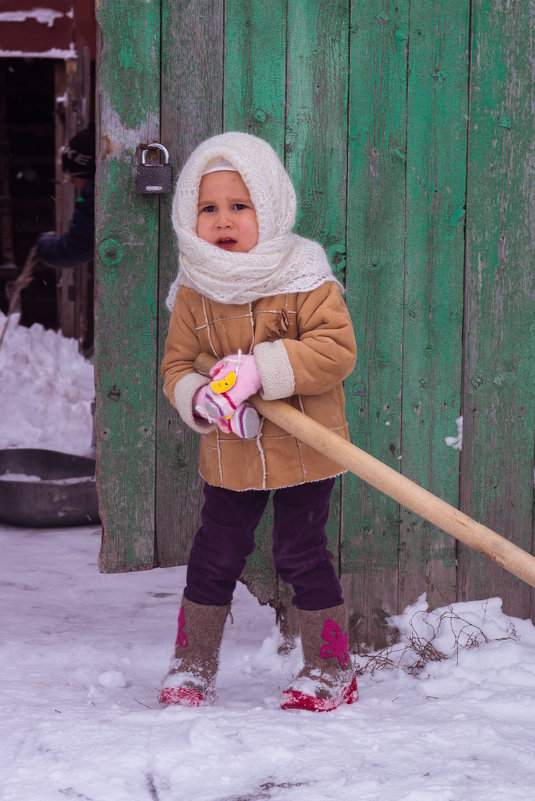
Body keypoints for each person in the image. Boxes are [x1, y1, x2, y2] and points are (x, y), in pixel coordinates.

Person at [159, 131, 358, 712]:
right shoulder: (196, 288)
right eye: (209, 208)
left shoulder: (304, 275)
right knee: (215, 554)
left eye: (239, 206)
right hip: (231, 452)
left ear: (268, 207)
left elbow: (335, 350)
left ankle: (331, 668)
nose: (224, 220)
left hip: (305, 450)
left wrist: (262, 370)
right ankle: (192, 665)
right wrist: (201, 397)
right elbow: (176, 366)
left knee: (301, 551)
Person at [36, 125, 95, 269]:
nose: (71, 181)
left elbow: (73, 250)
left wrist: (43, 245)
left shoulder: (94, 199)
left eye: (72, 175)